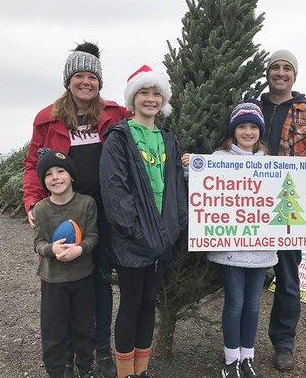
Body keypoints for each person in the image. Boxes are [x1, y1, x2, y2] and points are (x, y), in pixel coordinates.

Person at [23, 42, 130, 378]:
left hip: (104, 213)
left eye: (92, 76)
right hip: (62, 213)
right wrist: (31, 203)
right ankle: (65, 354)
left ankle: (99, 351)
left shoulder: (115, 114)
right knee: (63, 281)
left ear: (100, 82)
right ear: (68, 81)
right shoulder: (47, 119)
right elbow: (32, 165)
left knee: (99, 282)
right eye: (79, 76)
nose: (86, 81)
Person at [100, 65, 187, 378]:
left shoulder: (168, 140)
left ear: (162, 101)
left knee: (149, 303)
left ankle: (142, 369)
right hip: (133, 240)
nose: (150, 99)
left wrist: (174, 227)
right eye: (143, 93)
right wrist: (137, 232)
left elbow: (176, 186)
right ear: (132, 99)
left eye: (156, 94)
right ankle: (126, 372)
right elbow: (115, 190)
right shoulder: (120, 138)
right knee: (131, 304)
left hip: (162, 239)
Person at [182, 103, 277, 378]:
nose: (247, 132)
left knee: (253, 305)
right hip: (230, 250)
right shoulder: (219, 157)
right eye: (242, 126)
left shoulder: (271, 164)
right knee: (235, 303)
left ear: (260, 132)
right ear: (233, 132)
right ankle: (231, 359)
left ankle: (248, 358)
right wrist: (191, 166)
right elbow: (200, 183)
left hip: (261, 250)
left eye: (253, 127)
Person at [258, 50, 306, 370]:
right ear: (267, 73)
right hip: (252, 207)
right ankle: (240, 344)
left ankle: (283, 342)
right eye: (274, 67)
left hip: (291, 209)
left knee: (288, 279)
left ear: (294, 75)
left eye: (286, 68)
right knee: (245, 275)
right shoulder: (252, 109)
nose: (280, 73)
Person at [32, 150, 98, 378]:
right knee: (53, 331)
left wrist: (80, 248)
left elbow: (92, 236)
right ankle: (56, 371)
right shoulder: (40, 209)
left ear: (71, 176)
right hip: (53, 281)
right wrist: (52, 249)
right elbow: (38, 243)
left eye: (61, 171)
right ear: (43, 181)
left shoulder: (86, 203)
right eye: (48, 174)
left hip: (83, 277)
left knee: (85, 327)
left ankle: (86, 367)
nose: (56, 177)